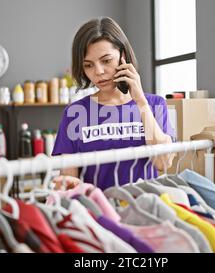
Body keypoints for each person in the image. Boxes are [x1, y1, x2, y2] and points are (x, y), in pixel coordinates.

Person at [52, 17, 176, 190]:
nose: (99, 72)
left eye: (106, 60)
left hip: (145, 210)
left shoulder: (155, 104)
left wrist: (140, 101)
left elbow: (163, 162)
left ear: (122, 55)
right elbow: (68, 180)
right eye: (88, 65)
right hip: (99, 212)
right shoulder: (74, 113)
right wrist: (68, 186)